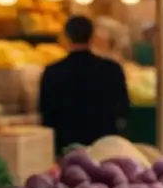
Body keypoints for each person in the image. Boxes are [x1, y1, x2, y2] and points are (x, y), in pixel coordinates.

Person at [39, 16, 130, 155]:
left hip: (66, 148)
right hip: (104, 148)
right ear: (92, 36)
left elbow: (45, 113)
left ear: (66, 37)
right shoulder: (112, 69)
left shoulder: (52, 71)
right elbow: (123, 108)